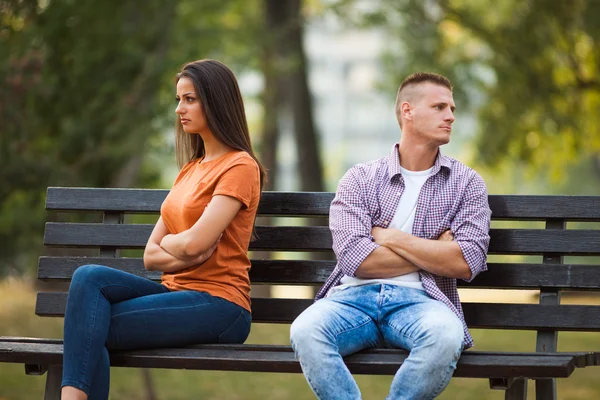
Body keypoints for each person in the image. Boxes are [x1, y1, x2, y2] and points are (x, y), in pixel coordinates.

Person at [61, 59, 266, 400]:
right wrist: (186, 247)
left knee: (90, 328)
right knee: (88, 277)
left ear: (215, 102)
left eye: (189, 99)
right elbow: (151, 256)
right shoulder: (189, 171)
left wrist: (184, 246)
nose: (179, 110)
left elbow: (195, 243)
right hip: (175, 294)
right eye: (178, 100)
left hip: (221, 304)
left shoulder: (240, 166)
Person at [290, 72, 491, 400]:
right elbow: (356, 259)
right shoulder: (360, 179)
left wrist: (389, 237)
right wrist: (435, 251)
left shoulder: (467, 183)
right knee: (306, 331)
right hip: (351, 300)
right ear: (408, 111)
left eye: (452, 108)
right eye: (440, 107)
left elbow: (467, 261)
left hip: (422, 303)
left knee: (445, 336)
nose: (451, 115)